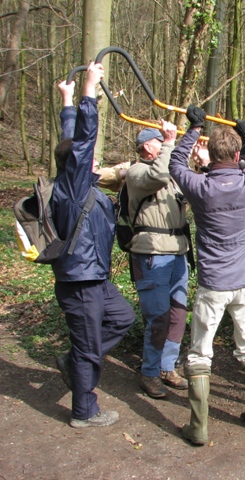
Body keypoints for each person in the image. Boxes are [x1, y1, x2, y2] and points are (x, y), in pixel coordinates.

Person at [169, 106, 245, 445]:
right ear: (238, 154)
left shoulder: (200, 187)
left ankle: (199, 427)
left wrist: (193, 129)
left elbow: (175, 164)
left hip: (214, 283)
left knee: (199, 353)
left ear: (210, 154)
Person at [53, 62, 135, 427]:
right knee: (87, 349)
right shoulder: (71, 187)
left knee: (123, 317)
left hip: (93, 276)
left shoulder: (74, 184)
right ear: (76, 163)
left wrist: (67, 100)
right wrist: (89, 88)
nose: (96, 161)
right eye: (90, 158)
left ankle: (75, 362)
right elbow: (82, 141)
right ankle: (84, 412)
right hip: (81, 281)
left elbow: (71, 139)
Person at [126, 122, 190, 398]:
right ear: (146, 147)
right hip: (152, 253)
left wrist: (197, 165)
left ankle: (167, 367)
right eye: (159, 141)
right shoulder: (137, 172)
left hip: (177, 252)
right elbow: (161, 173)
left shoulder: (169, 173)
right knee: (159, 317)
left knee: (177, 315)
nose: (165, 143)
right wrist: (170, 141)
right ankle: (149, 373)